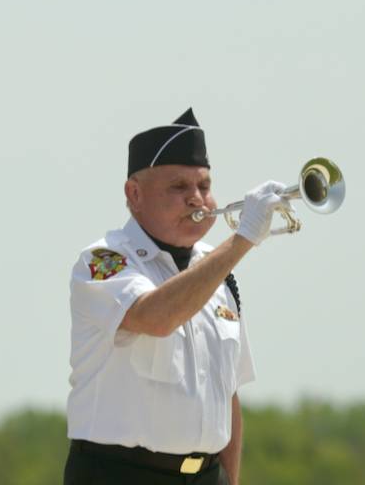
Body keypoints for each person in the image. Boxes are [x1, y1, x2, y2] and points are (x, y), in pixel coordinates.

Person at [63, 108, 291, 484]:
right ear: (134, 194)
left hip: (205, 475)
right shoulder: (104, 261)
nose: (197, 199)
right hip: (122, 475)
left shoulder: (217, 273)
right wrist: (242, 239)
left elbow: (227, 396)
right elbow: (156, 317)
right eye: (179, 187)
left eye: (203, 186)